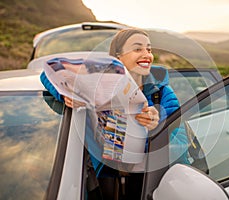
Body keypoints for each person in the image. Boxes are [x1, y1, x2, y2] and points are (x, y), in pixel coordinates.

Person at [40, 28, 189, 199]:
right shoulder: (99, 82)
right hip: (104, 179)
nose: (147, 54)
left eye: (149, 49)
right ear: (118, 56)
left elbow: (181, 144)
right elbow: (47, 73)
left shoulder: (163, 93)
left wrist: (158, 127)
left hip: (150, 184)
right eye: (138, 49)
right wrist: (64, 94)